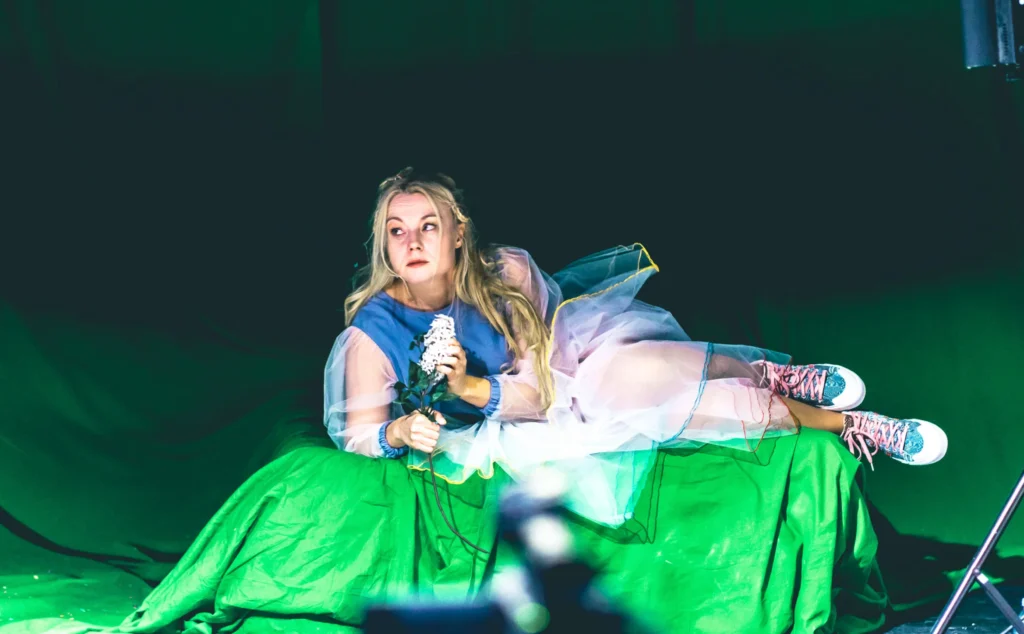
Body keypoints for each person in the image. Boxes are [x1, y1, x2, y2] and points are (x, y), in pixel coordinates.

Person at [324, 167, 948, 527]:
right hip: (511, 428)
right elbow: (357, 432)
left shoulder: (504, 273)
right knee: (678, 405)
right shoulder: (372, 333)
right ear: (384, 243)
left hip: (566, 371)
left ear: (458, 233)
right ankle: (852, 425)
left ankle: (770, 373)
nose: (413, 242)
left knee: (640, 372)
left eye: (428, 226)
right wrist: (404, 427)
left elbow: (545, 385)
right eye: (397, 231)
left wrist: (471, 382)